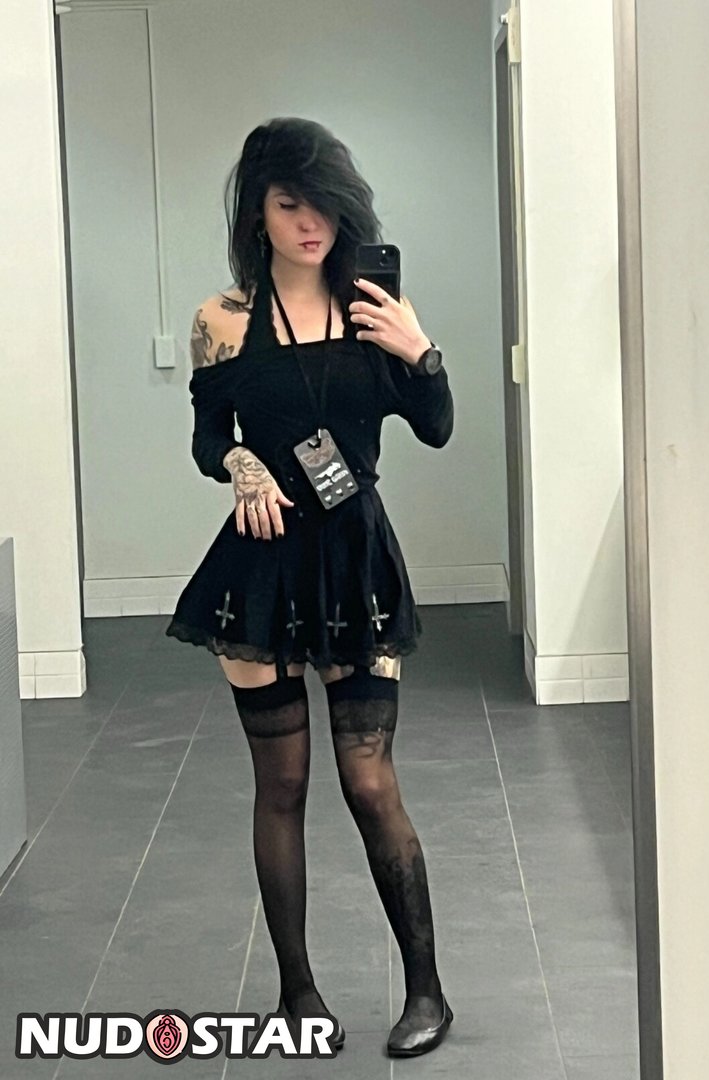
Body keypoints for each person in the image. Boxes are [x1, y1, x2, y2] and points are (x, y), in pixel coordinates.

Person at [164, 117, 455, 1058]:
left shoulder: (374, 310)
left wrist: (419, 348)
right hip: (261, 565)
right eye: (290, 205)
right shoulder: (223, 320)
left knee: (369, 780)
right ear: (259, 212)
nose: (310, 224)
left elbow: (437, 426)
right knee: (281, 783)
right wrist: (239, 462)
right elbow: (207, 435)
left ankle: (427, 991)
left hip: (356, 563)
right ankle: (298, 993)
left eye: (323, 205)